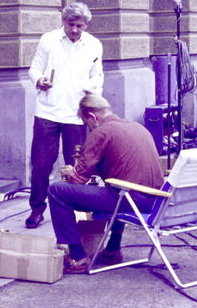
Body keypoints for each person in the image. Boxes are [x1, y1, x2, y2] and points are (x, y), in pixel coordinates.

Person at [47, 94, 165, 274]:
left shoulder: (101, 132)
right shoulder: (138, 127)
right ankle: (112, 249)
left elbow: (78, 179)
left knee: (57, 191)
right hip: (156, 200)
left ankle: (78, 258)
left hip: (131, 199)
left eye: (86, 123)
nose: (88, 128)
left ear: (92, 116)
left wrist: (71, 171)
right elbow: (124, 165)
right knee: (118, 187)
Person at [27, 2, 104, 229]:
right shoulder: (48, 40)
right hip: (47, 112)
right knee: (41, 165)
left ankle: (72, 211)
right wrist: (39, 80)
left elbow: (98, 75)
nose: (75, 30)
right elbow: (34, 69)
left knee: (77, 166)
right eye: (71, 24)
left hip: (76, 114)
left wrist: (92, 90)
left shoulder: (94, 45)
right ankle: (36, 210)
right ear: (63, 21)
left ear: (87, 24)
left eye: (80, 25)